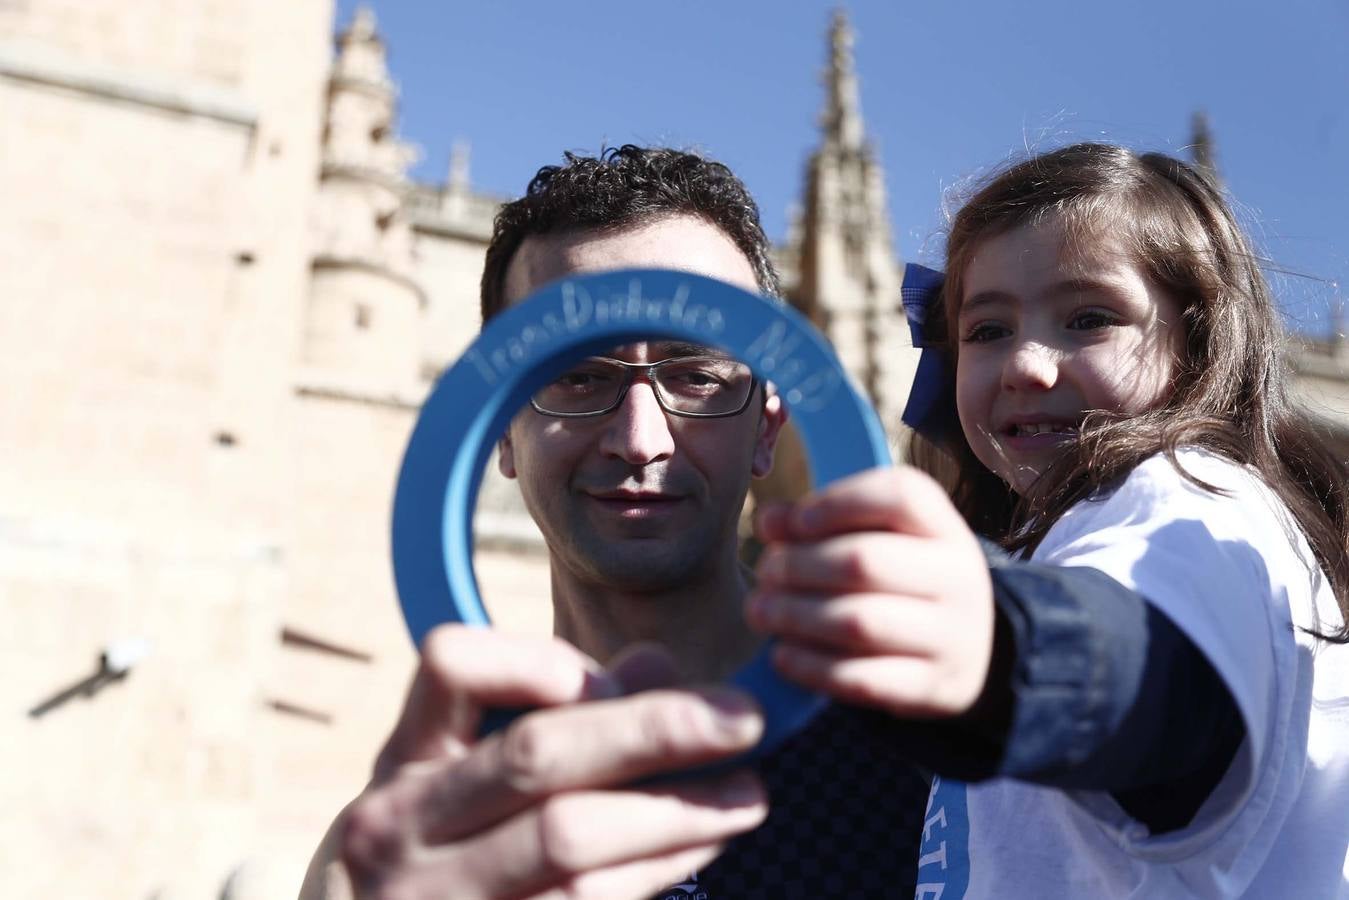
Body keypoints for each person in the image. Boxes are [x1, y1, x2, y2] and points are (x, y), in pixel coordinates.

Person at [300, 145, 930, 900]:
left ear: (767, 430)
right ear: (498, 427)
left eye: (695, 376)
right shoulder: (426, 835)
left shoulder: (932, 757)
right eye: (577, 376)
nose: (640, 438)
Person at [748, 142, 1349, 897]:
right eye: (986, 330)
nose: (1025, 364)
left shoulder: (1191, 499)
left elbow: (1149, 668)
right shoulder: (1070, 527)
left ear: (1197, 343)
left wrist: (1002, 648)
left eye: (1087, 319)